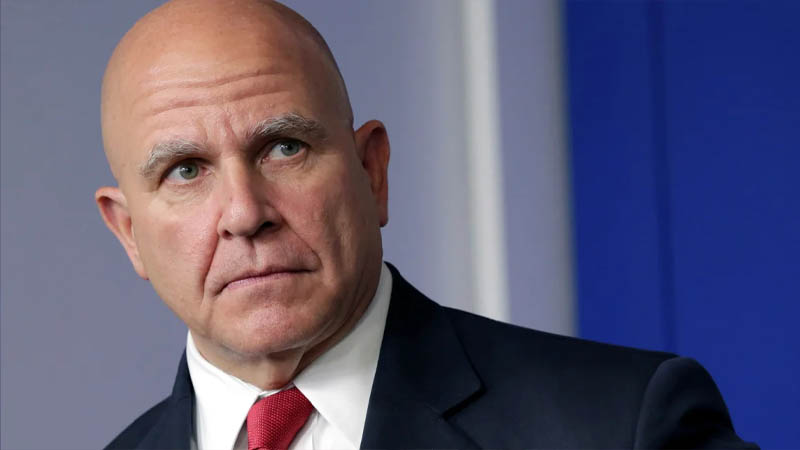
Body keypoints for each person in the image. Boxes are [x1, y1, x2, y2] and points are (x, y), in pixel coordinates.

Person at [95, 0, 756, 449]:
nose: (245, 213)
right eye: (185, 170)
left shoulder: (626, 425)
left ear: (372, 172)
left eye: (284, 148)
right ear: (128, 233)